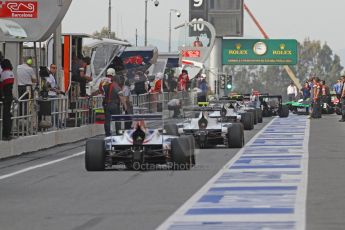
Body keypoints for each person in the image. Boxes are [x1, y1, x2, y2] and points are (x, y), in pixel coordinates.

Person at [101, 68, 122, 136]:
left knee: (107, 120)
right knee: (118, 120)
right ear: (113, 75)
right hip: (115, 104)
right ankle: (119, 134)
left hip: (106, 104)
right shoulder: (115, 84)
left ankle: (107, 134)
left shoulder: (103, 82)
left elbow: (100, 91)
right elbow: (120, 94)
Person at [0, 59, 15, 140]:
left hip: (5, 97)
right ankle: (8, 133)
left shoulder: (3, 74)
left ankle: (5, 135)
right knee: (8, 115)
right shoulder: (11, 73)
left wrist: (2, 96)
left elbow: (2, 87)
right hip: (9, 97)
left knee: (4, 116)